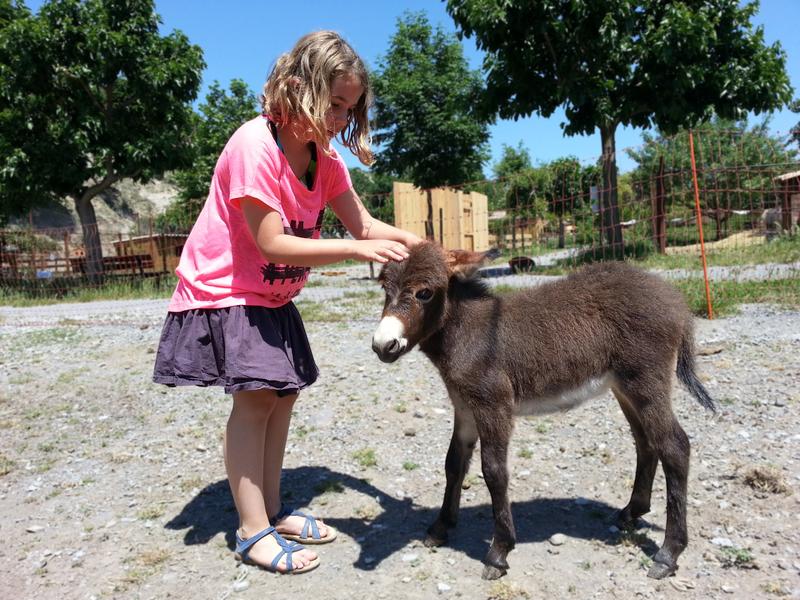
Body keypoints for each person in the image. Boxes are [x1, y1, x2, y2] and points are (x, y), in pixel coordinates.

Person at [153, 30, 420, 574]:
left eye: (349, 109)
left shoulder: (327, 162)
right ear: (296, 87)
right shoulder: (254, 144)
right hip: (227, 289)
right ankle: (252, 531)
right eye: (333, 104)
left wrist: (427, 248)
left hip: (272, 294)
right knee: (254, 401)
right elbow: (271, 242)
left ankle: (271, 510)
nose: (340, 119)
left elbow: (364, 223)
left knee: (282, 397)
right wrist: (356, 248)